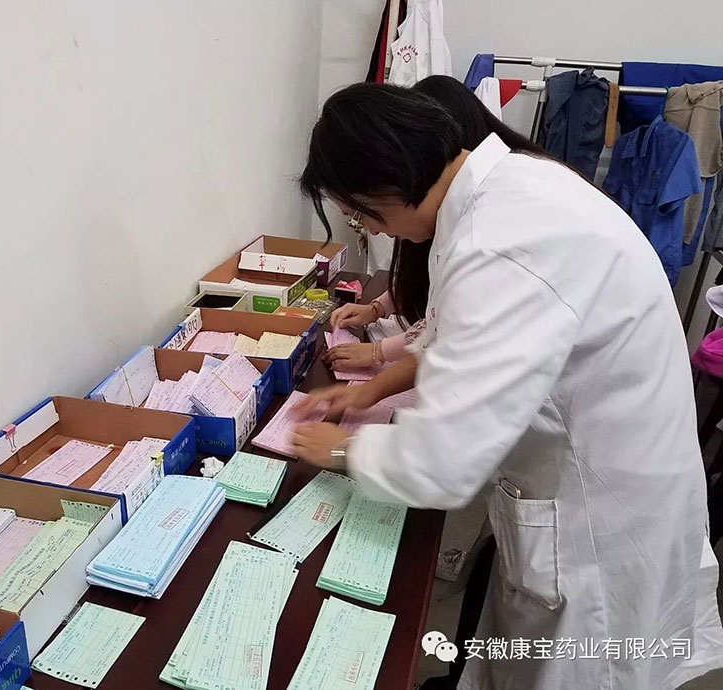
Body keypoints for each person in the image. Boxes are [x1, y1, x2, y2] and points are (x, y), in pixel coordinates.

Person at [293, 82, 723, 689]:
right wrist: (372, 387)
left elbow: (442, 460)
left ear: (384, 182)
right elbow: (459, 335)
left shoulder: (496, 242)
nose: (371, 229)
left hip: (600, 523)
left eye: (360, 214)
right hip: (609, 474)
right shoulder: (507, 190)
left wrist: (343, 449)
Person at [325, 76, 546, 374]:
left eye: (359, 214)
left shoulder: (485, 231)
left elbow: (452, 341)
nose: (373, 230)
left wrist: (378, 355)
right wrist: (376, 310)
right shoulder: (462, 204)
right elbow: (428, 301)